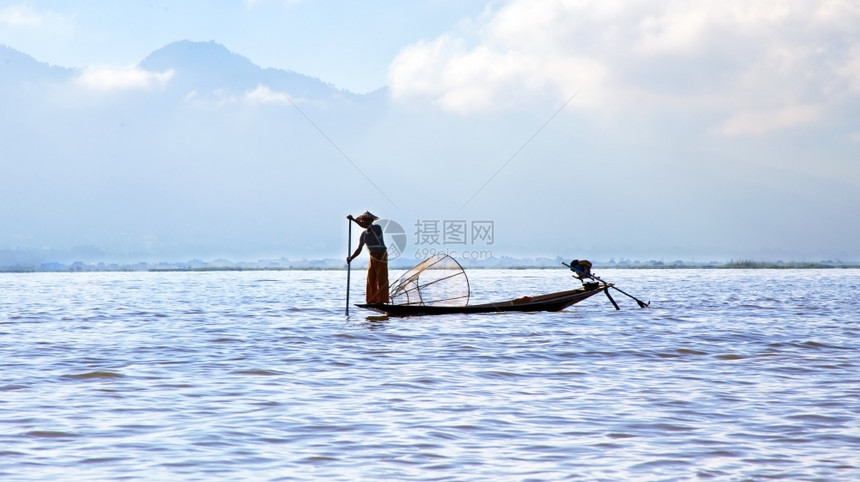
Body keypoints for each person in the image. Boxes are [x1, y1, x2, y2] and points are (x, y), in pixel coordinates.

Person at [347, 211, 390, 304]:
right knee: (371, 278)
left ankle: (382, 301)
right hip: (372, 256)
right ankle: (372, 300)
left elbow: (366, 226)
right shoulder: (363, 234)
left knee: (381, 278)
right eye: (364, 220)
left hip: (381, 255)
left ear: (371, 221)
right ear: (362, 220)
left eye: (368, 220)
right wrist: (351, 258)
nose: (366, 222)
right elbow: (359, 249)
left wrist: (353, 220)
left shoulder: (377, 228)